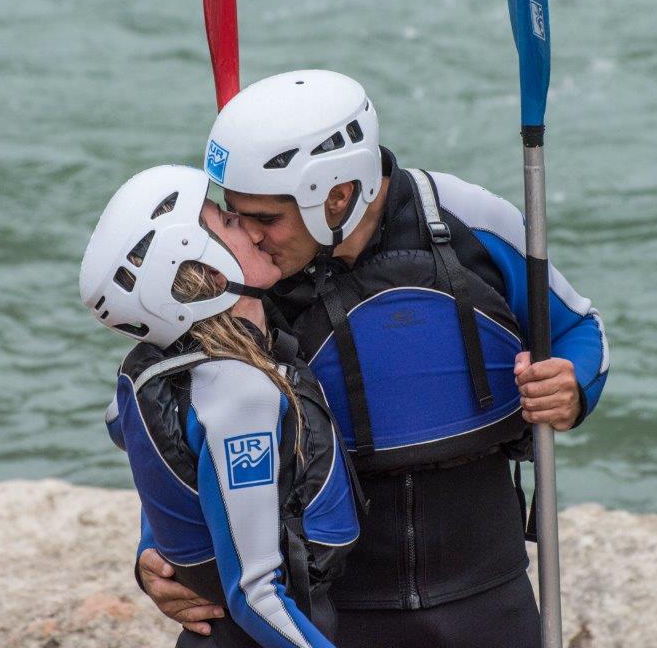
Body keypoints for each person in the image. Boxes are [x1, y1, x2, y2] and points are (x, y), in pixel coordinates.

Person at [138, 71, 611, 648]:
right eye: (235, 213)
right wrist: (158, 551)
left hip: (483, 591)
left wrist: (572, 386)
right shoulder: (243, 271)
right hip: (324, 597)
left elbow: (578, 328)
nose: (247, 238)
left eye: (265, 219)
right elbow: (178, 413)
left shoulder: (467, 220)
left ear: (335, 196)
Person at [80, 164, 363, 648]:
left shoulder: (170, 371)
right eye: (229, 222)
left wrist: (160, 541)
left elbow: (139, 442)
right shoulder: (241, 395)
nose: (252, 226)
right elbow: (255, 595)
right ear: (211, 270)